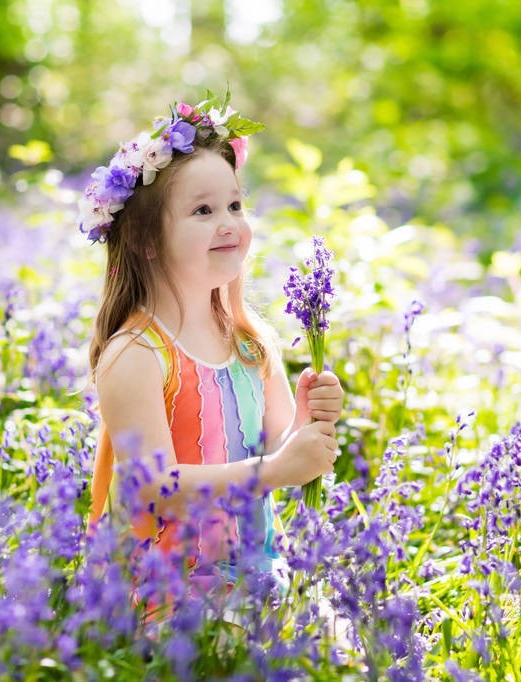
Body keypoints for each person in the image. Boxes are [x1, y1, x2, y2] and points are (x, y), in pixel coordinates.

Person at [82, 95, 344, 591]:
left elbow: (280, 452)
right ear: (146, 241)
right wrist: (271, 472)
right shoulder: (136, 353)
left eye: (235, 205)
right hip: (167, 591)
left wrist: (307, 422)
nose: (229, 222)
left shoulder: (250, 343)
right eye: (203, 210)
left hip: (256, 576)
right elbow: (155, 489)